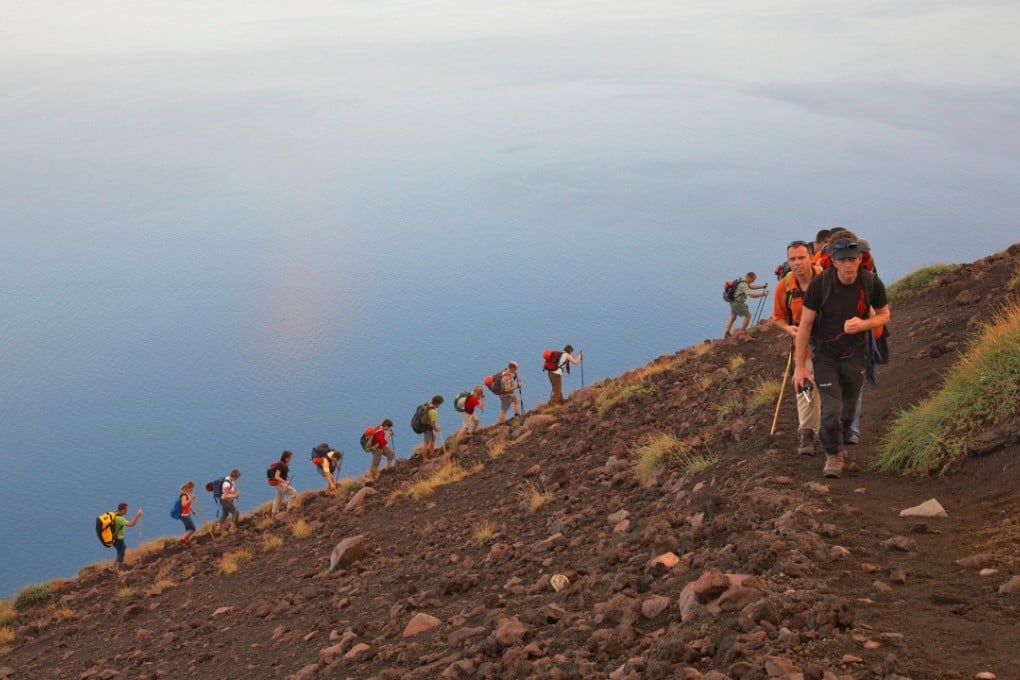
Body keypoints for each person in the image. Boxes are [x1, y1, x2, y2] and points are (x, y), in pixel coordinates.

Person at [793, 237, 890, 478]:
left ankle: (840, 444)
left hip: (856, 355)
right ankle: (833, 455)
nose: (848, 265)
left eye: (852, 259)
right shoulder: (821, 285)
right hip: (825, 356)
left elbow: (885, 315)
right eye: (843, 260)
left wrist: (864, 324)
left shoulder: (871, 283)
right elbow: (805, 325)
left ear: (860, 260)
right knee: (831, 411)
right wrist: (800, 367)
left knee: (848, 412)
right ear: (834, 262)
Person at [772, 241, 823, 455]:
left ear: (811, 257)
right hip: (803, 346)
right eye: (792, 259)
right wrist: (789, 330)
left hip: (830, 342)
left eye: (801, 258)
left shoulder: (826, 278)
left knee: (831, 388)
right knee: (805, 387)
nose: (797, 263)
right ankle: (807, 434)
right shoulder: (784, 286)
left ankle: (828, 433)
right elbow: (778, 317)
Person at [724, 272, 768, 338]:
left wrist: (762, 287)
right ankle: (743, 331)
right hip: (738, 303)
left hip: (733, 302)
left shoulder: (741, 280)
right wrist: (763, 295)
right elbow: (751, 295)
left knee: (733, 317)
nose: (753, 281)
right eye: (753, 280)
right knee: (748, 316)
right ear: (750, 277)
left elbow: (750, 287)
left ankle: (727, 333)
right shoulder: (743, 284)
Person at [112, 503, 143, 572]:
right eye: (126, 509)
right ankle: (119, 570)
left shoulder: (114, 513)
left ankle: (114, 565)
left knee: (122, 548)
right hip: (118, 538)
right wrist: (137, 515)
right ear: (122, 510)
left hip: (113, 537)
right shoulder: (120, 519)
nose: (127, 511)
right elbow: (131, 524)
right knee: (121, 552)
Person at [422, 395, 444, 461]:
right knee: (426, 443)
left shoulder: (428, 405)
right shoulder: (433, 412)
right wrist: (436, 429)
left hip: (425, 425)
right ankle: (425, 459)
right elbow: (432, 424)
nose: (440, 405)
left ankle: (431, 453)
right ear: (437, 404)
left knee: (433, 437)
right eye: (440, 404)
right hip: (427, 427)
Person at [177, 482, 196, 546]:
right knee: (193, 529)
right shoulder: (184, 496)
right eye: (192, 488)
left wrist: (192, 510)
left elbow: (188, 505)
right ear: (188, 488)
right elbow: (183, 504)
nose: (192, 490)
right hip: (185, 515)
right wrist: (191, 498)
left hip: (187, 514)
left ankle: (187, 542)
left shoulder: (188, 494)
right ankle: (183, 540)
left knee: (187, 530)